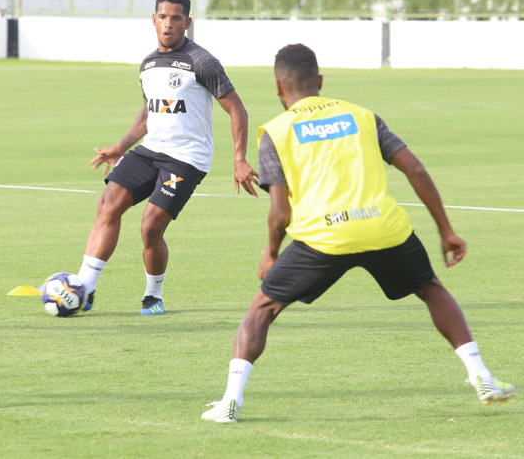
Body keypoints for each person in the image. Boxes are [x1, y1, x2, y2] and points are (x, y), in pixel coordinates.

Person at [201, 43, 514, 423]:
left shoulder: (277, 131)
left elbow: (280, 211)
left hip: (323, 238)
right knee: (431, 288)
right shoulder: (362, 116)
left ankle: (230, 402)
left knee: (262, 309)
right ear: (319, 81)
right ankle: (481, 376)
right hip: (383, 228)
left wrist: (271, 253)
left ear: (279, 89)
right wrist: (446, 231)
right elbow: (414, 170)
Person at [76, 0, 259, 315]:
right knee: (108, 204)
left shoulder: (202, 62)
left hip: (188, 158)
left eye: (176, 18)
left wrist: (239, 158)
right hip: (151, 151)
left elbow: (237, 109)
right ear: (153, 19)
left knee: (150, 227)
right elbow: (148, 113)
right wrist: (119, 148)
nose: (168, 24)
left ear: (187, 22)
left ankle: (153, 295)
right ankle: (84, 288)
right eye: (163, 17)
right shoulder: (148, 63)